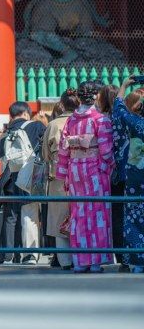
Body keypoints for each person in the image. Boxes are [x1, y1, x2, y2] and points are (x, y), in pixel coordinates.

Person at [56, 80, 114, 273]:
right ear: (96, 96)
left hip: (75, 170)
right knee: (97, 213)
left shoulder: (70, 120)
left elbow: (63, 149)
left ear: (79, 97)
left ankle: (80, 261)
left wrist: (63, 174)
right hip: (95, 170)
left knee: (78, 214)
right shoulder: (100, 120)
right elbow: (106, 151)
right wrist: (108, 168)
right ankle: (96, 261)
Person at [0, 101, 46, 265]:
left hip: (11, 178)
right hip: (29, 177)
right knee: (29, 214)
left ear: (11, 115)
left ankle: (8, 254)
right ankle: (29, 254)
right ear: (26, 113)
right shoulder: (36, 126)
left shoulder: (8, 131)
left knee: (10, 217)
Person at [42, 90, 79, 270]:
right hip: (81, 176)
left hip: (58, 177)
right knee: (80, 217)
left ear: (62, 105)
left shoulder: (54, 125)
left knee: (59, 220)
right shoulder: (84, 121)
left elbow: (45, 155)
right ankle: (83, 258)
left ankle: (65, 261)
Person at [112, 79, 144, 274]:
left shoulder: (133, 122)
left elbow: (118, 108)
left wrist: (123, 86)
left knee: (133, 215)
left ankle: (137, 261)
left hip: (135, 175)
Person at [96, 84, 127, 271]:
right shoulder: (125, 118)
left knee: (115, 213)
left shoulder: (102, 120)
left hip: (107, 171)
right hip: (126, 169)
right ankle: (128, 253)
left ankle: (119, 252)